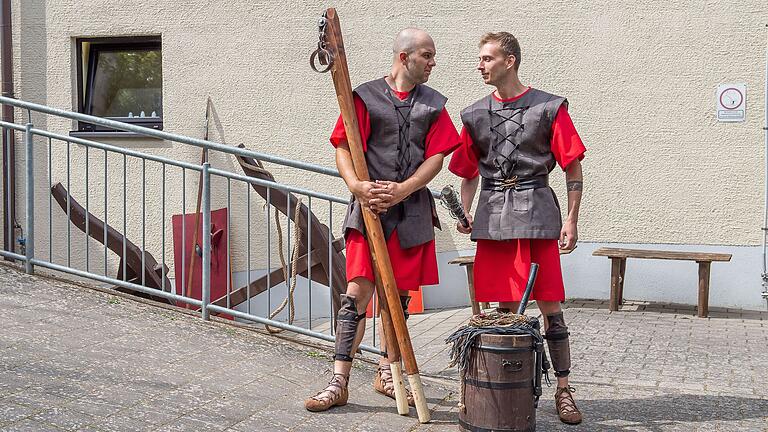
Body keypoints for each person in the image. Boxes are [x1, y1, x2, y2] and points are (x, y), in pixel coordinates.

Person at [304, 27, 460, 412]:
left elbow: (437, 157)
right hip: (369, 210)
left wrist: (405, 189)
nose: (433, 63)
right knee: (356, 293)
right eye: (427, 55)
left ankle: (387, 372)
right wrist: (357, 185)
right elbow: (342, 144)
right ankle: (338, 380)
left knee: (400, 298)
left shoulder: (434, 104)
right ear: (405, 57)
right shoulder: (366, 97)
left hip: (412, 212)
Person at [448, 31, 585, 425]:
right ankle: (505, 392)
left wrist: (572, 218)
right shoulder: (474, 114)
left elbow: (573, 166)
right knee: (502, 311)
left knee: (551, 308)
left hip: (538, 214)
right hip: (493, 218)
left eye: (488, 58)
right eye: (480, 58)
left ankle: (563, 389)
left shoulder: (549, 107)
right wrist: (466, 211)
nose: (480, 65)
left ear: (510, 60)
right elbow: (468, 171)